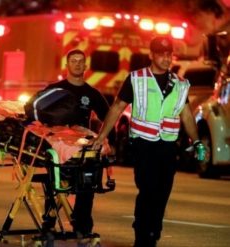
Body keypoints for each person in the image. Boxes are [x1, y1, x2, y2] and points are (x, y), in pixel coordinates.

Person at [91, 36, 206, 247]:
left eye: (169, 54)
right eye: (161, 54)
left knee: (162, 192)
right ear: (151, 55)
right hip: (144, 145)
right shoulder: (137, 79)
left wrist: (197, 141)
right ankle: (143, 236)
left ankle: (154, 232)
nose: (166, 58)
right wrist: (102, 136)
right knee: (148, 190)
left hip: (168, 147)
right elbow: (117, 108)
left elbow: (187, 115)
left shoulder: (179, 84)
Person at [41, 49, 110, 236]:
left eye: (81, 61)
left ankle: (82, 226)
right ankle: (49, 221)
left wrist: (101, 136)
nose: (78, 64)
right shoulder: (55, 89)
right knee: (55, 185)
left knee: (86, 186)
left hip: (82, 147)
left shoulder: (92, 93)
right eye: (74, 61)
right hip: (58, 145)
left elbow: (109, 116)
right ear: (67, 65)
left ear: (85, 66)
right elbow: (39, 112)